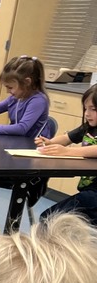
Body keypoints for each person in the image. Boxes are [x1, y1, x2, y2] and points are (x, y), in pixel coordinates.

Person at [36, 85, 97, 225]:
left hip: (94, 195)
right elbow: (67, 138)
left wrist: (68, 151)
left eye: (93, 109)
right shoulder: (89, 127)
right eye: (85, 109)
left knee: (49, 220)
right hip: (88, 191)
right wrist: (48, 143)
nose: (87, 113)